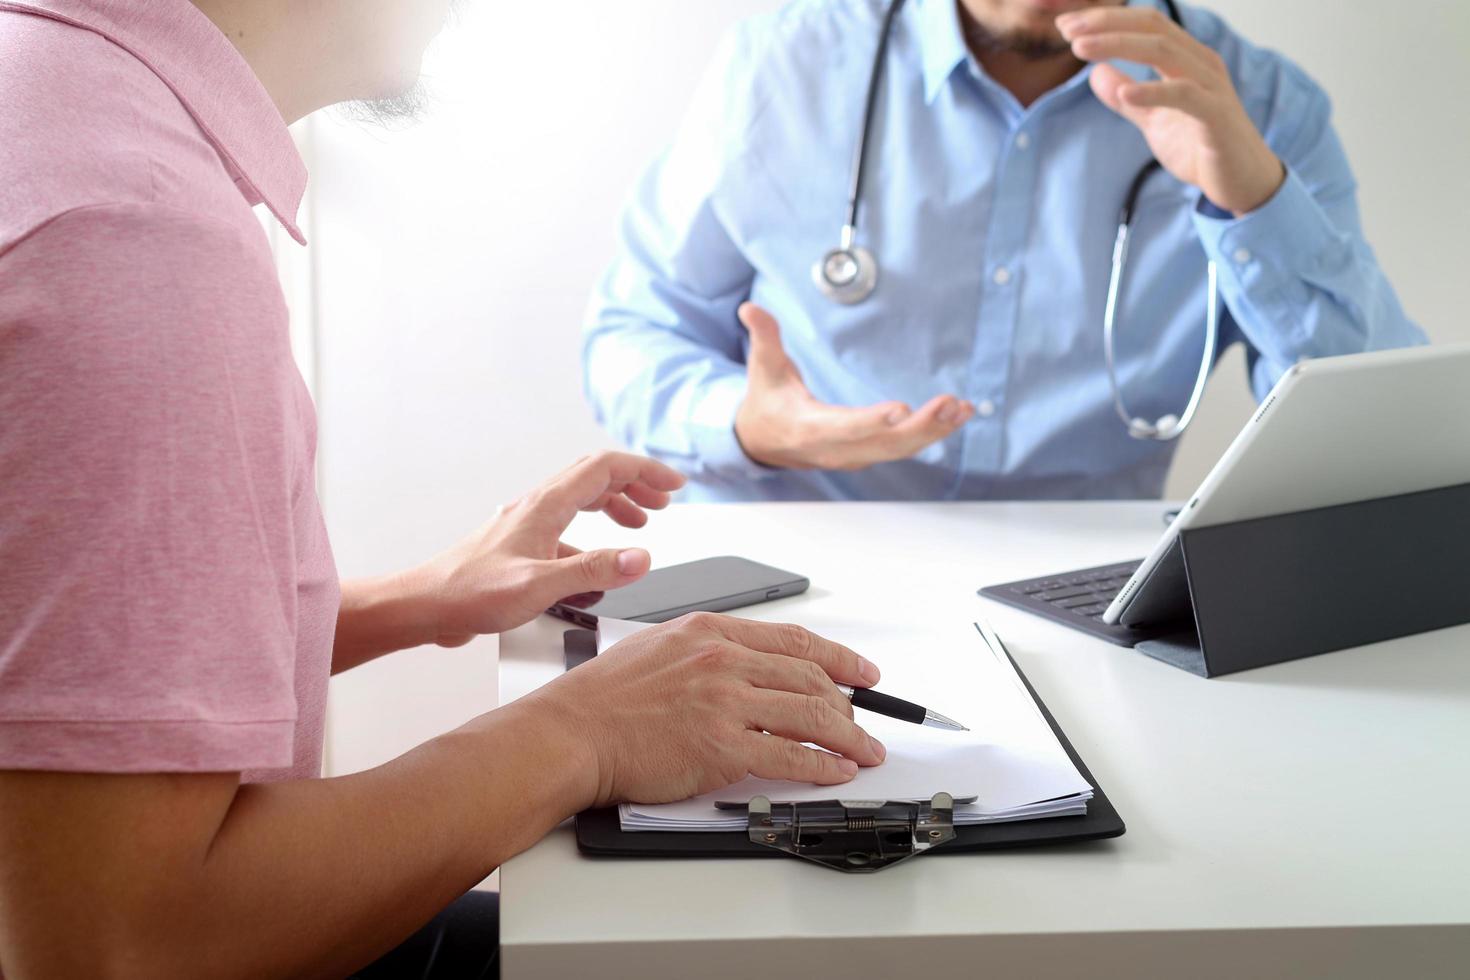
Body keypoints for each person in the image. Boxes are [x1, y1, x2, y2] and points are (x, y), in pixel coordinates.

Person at [0, 1, 889, 976]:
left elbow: (65, 680)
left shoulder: (56, 102)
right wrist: (581, 732)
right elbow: (126, 941)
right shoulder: (134, 236)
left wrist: (417, 601)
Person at [582, 0, 1427, 502]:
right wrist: (747, 426)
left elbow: (1385, 438)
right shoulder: (789, 60)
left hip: (1092, 597)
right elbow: (629, 336)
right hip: (811, 563)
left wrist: (1256, 201)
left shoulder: (1262, 107)